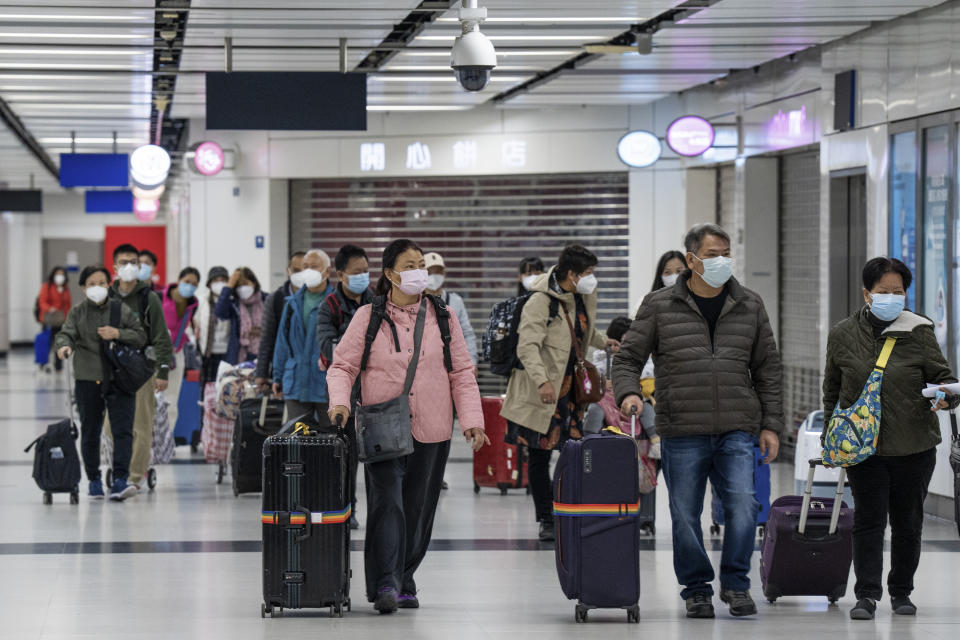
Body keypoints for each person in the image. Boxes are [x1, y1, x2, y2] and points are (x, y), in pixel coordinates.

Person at [613, 223, 783, 619]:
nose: (721, 260)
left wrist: (771, 423)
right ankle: (696, 588)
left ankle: (737, 584)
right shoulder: (659, 305)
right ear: (691, 260)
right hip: (682, 427)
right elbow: (627, 358)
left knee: (743, 506)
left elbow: (768, 369)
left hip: (737, 426)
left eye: (726, 252)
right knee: (685, 514)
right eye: (711, 254)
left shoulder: (750, 304)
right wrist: (629, 392)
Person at [327, 239, 487, 614]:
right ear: (389, 274)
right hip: (382, 426)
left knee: (418, 509)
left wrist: (472, 421)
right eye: (410, 265)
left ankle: (405, 578)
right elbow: (342, 366)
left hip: (432, 428)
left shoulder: (443, 317)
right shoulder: (368, 317)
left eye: (422, 265)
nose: (419, 272)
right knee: (387, 504)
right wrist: (338, 402)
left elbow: (462, 373)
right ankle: (386, 582)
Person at [823, 257, 958, 621]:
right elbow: (831, 389)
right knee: (868, 521)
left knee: (908, 522)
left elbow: (944, 379)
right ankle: (866, 594)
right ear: (867, 294)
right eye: (884, 292)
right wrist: (830, 439)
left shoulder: (920, 330)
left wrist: (947, 396)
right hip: (864, 447)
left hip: (914, 444)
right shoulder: (842, 334)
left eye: (898, 292)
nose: (893, 298)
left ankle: (902, 593)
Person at [500, 245, 618, 542]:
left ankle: (565, 509)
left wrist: (606, 343)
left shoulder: (582, 297)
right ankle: (546, 518)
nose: (593, 279)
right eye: (588, 274)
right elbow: (527, 345)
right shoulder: (541, 301)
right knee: (539, 456)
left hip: (572, 391)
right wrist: (542, 381)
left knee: (573, 451)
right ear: (571, 274)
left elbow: (583, 333)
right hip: (544, 391)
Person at [54, 265, 146, 500]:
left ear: (109, 285)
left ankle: (120, 479)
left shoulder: (120, 310)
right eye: (92, 284)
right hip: (88, 379)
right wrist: (64, 346)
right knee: (91, 431)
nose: (98, 288)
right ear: (84, 288)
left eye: (102, 283)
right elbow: (66, 333)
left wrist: (118, 334)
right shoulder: (77, 312)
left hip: (118, 378)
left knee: (122, 431)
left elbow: (140, 336)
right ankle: (94, 479)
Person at [316, 244, 374, 530]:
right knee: (346, 456)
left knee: (378, 456)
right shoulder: (329, 306)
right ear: (341, 275)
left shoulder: (377, 302)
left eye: (366, 271)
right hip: (346, 396)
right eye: (357, 272)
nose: (363, 277)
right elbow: (328, 347)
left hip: (376, 394)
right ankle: (347, 508)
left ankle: (378, 510)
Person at [108, 244, 173, 490]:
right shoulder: (107, 297)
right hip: (111, 370)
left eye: (134, 262)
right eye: (123, 262)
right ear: (114, 267)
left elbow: (161, 338)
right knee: (110, 425)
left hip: (141, 370)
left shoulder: (149, 298)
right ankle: (121, 469)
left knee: (140, 425)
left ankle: (134, 478)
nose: (129, 267)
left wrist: (163, 370)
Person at [272, 249, 335, 421]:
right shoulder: (292, 303)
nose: (308, 271)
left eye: (314, 266)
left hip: (326, 386)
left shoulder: (335, 302)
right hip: (296, 383)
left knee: (329, 441)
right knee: (297, 441)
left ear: (327, 271)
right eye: (305, 267)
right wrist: (277, 377)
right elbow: (282, 343)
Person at [255, 251, 306, 391]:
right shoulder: (276, 299)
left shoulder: (319, 300)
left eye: (304, 270)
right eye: (296, 270)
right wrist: (262, 373)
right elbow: (267, 338)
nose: (300, 274)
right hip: (284, 370)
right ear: (288, 270)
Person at [424, 251, 478, 368]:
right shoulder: (416, 302)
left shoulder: (455, 301)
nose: (434, 276)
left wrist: (472, 362)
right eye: (430, 272)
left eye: (438, 272)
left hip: (454, 364)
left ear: (444, 273)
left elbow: (467, 334)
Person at [161, 267, 200, 428]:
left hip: (177, 354)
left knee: (172, 399)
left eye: (194, 284)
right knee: (153, 399)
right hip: (156, 353)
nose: (190, 286)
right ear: (179, 280)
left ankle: (167, 440)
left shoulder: (193, 304)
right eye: (187, 281)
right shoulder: (159, 297)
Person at [213, 266, 267, 364]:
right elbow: (219, 312)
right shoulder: (234, 304)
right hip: (240, 355)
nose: (242, 288)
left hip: (265, 353)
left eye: (245, 284)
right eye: (238, 286)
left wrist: (263, 330)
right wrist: (229, 286)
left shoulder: (266, 299)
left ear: (254, 283)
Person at [194, 266, 231, 386]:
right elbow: (195, 323)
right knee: (208, 388)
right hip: (208, 352)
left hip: (229, 353)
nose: (219, 284)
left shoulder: (232, 301)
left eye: (223, 280)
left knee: (226, 387)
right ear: (209, 284)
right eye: (216, 280)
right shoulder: (201, 301)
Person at [632, 250, 688, 317]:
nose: (674, 277)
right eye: (667, 272)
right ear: (660, 276)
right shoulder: (645, 303)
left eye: (679, 271)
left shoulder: (695, 301)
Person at [37, 266, 72, 371]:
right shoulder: (47, 286)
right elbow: (42, 301)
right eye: (58, 274)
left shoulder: (65, 288)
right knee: (47, 342)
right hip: (49, 319)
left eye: (62, 274)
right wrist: (49, 308)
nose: (60, 277)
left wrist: (67, 318)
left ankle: (58, 364)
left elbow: (67, 305)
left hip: (60, 320)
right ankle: (43, 363)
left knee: (60, 342)